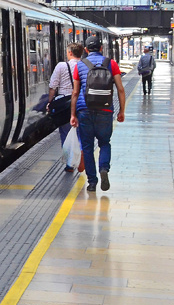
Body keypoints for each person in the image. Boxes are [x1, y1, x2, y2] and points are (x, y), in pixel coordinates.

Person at [70, 34, 125, 193]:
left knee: (87, 147)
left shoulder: (79, 65)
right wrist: (121, 111)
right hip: (105, 110)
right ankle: (104, 169)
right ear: (101, 48)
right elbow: (120, 89)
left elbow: (75, 92)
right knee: (104, 143)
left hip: (84, 110)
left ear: (86, 50)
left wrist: (73, 114)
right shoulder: (111, 63)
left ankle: (92, 182)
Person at [46, 42, 83, 171]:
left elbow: (53, 86)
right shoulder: (85, 65)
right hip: (81, 103)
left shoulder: (62, 66)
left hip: (64, 105)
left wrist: (50, 102)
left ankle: (70, 163)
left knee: (65, 133)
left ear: (70, 52)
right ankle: (81, 159)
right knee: (81, 133)